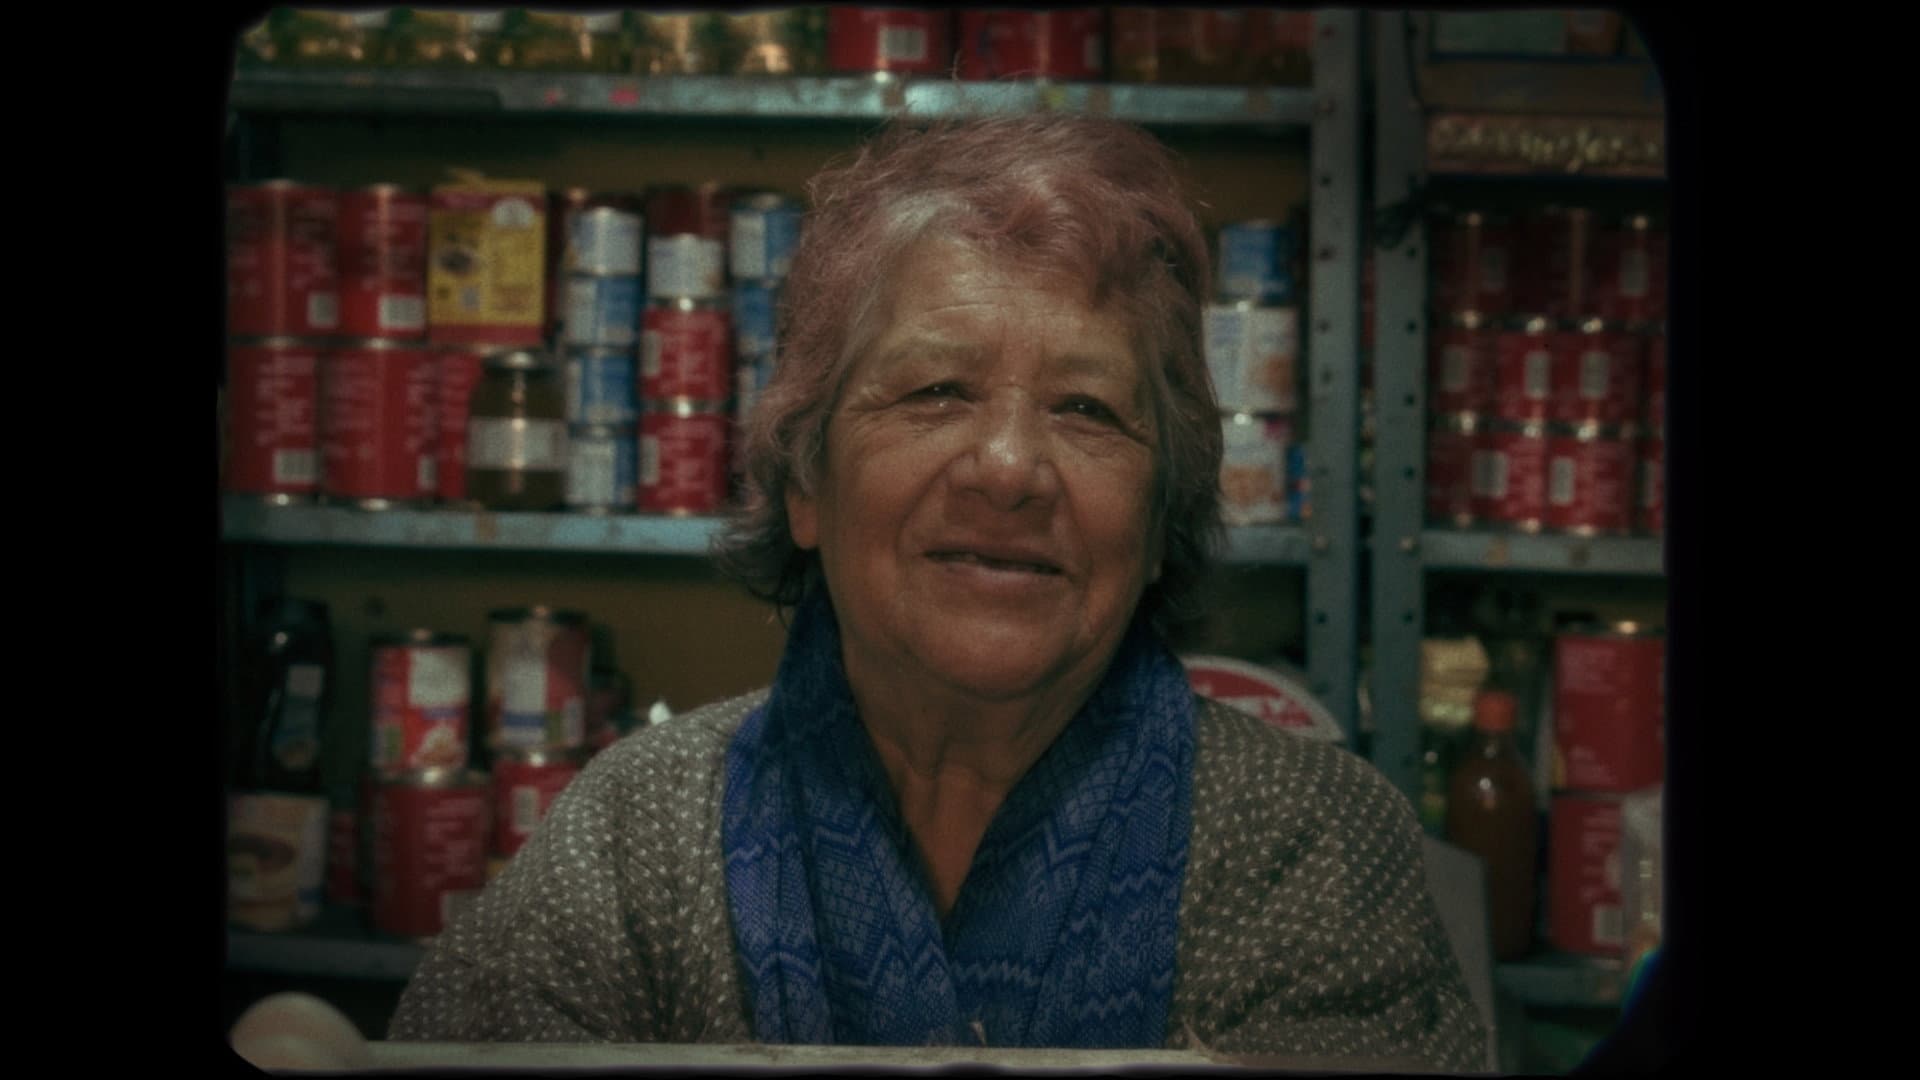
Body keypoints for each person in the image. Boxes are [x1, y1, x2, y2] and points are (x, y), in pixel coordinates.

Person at [386, 114, 1487, 1067]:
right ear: (809, 482)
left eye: (1087, 410)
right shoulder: (634, 834)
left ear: (1160, 525)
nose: (1008, 467)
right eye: (935, 391)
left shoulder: (1310, 845)